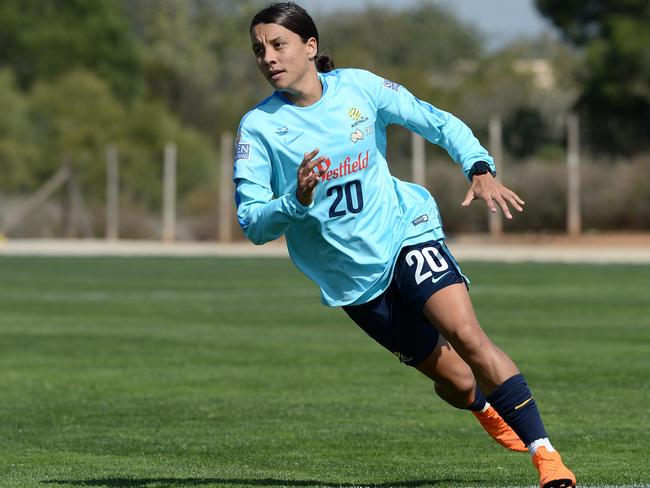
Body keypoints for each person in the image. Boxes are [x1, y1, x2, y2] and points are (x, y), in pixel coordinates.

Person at [233, 3, 576, 487]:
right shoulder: (259, 128)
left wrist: (478, 166)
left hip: (405, 233)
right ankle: (482, 406)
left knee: (467, 335)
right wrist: (295, 200)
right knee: (457, 383)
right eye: (258, 49)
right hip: (351, 281)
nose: (267, 57)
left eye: (278, 44)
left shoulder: (361, 88)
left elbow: (435, 121)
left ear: (310, 48)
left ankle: (547, 457)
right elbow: (252, 222)